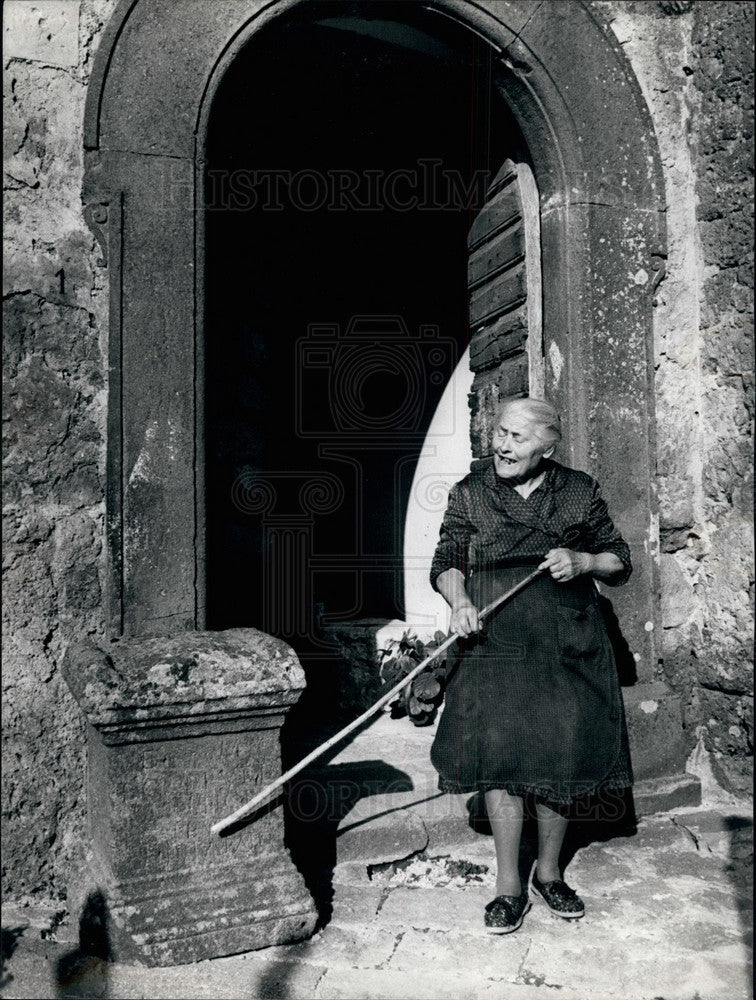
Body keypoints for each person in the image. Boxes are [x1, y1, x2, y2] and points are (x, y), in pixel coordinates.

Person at [430, 395, 633, 934]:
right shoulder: (470, 493)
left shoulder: (578, 490)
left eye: (516, 438)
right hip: (496, 638)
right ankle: (508, 886)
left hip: (566, 637)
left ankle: (549, 874)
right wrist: (461, 602)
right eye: (499, 432)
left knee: (559, 751)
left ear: (547, 446)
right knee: (499, 753)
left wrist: (584, 560)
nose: (501, 445)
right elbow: (447, 560)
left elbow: (619, 559)